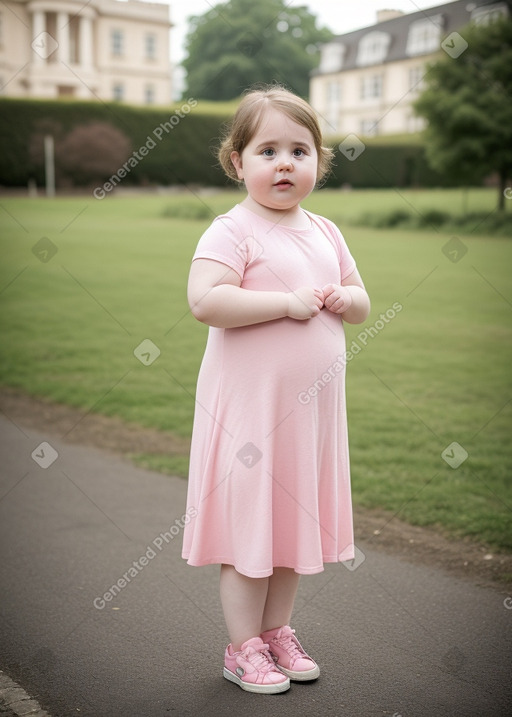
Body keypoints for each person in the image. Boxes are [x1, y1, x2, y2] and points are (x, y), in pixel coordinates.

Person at [182, 84, 371, 695]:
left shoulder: (324, 229)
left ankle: (276, 632)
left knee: (290, 530)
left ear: (318, 161)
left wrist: (348, 299)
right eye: (268, 151)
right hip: (250, 418)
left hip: (308, 418)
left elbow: (362, 302)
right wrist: (285, 305)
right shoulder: (231, 230)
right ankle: (242, 648)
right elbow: (206, 301)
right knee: (250, 530)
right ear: (238, 163)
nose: (285, 162)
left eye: (300, 150)